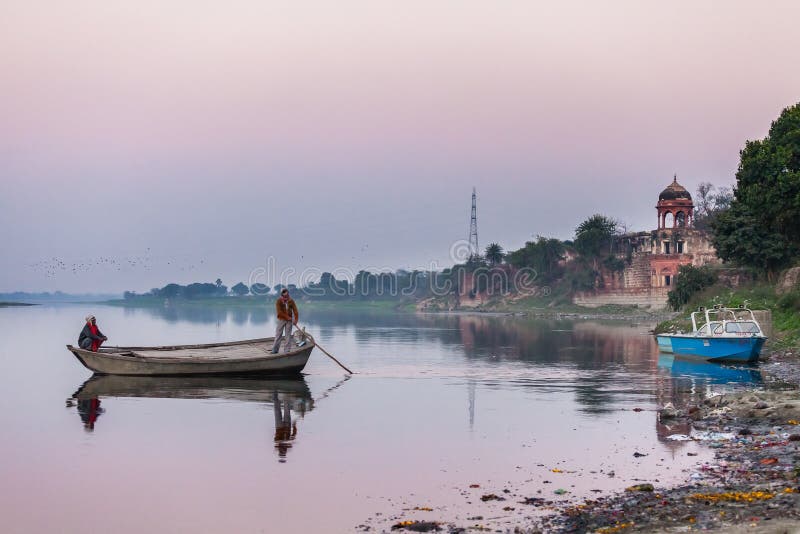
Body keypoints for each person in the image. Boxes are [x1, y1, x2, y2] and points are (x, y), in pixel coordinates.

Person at [271, 288, 298, 353]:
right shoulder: (279, 301)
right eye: (285, 296)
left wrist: (296, 320)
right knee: (278, 334)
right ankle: (275, 350)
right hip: (281, 319)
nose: (286, 297)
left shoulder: (291, 301)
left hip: (289, 321)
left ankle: (287, 350)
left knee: (288, 335)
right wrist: (287, 317)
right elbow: (279, 312)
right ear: (282, 295)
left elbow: (295, 311)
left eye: (287, 296)